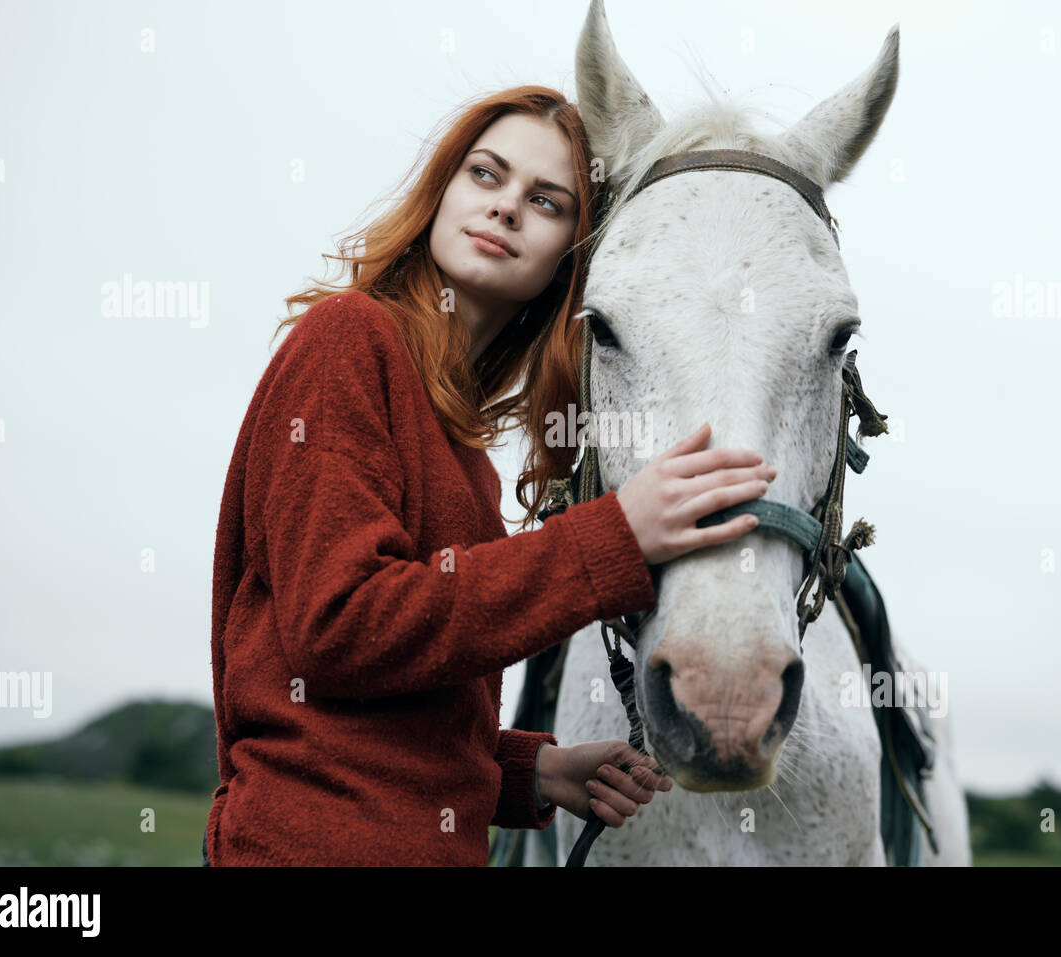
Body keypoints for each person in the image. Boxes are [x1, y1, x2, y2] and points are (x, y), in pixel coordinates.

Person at [203, 86, 776, 866]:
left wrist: (530, 770)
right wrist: (609, 539)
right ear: (442, 188)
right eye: (485, 175)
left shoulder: (459, 439)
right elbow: (338, 628)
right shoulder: (349, 339)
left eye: (546, 201)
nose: (506, 208)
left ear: (572, 257)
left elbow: (391, 721)